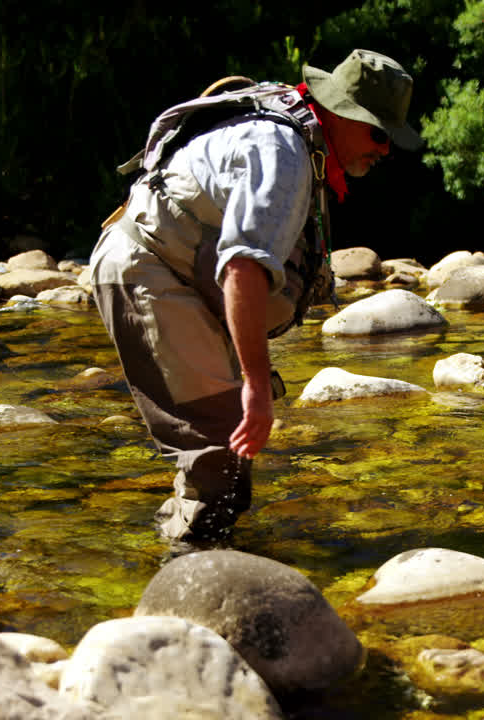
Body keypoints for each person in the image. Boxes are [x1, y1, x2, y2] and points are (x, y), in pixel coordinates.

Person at [89, 49, 421, 545]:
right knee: (222, 466)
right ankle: (184, 592)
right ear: (340, 112)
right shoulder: (283, 153)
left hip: (175, 278)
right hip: (148, 274)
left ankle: (178, 555)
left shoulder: (298, 131)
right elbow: (242, 268)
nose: (385, 150)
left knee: (221, 462)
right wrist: (256, 386)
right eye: (378, 133)